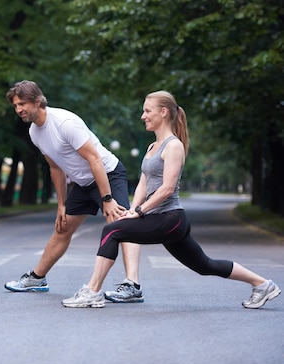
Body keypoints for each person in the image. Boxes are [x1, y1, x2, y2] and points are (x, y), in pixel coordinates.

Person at [62, 90, 281, 309]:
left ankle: (92, 291)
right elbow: (144, 184)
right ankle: (262, 284)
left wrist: (139, 212)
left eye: (147, 111)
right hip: (163, 219)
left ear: (163, 112)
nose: (143, 116)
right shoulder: (152, 147)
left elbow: (167, 189)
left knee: (111, 231)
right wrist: (132, 209)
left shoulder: (173, 146)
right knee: (204, 265)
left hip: (171, 218)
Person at [4, 80, 143, 303]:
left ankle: (132, 285)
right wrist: (61, 204)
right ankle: (37, 279)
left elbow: (94, 159)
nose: (18, 109)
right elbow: (56, 167)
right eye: (15, 105)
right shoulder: (34, 132)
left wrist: (106, 198)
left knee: (121, 223)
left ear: (38, 101)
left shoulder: (65, 123)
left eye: (22, 104)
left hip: (107, 173)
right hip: (83, 182)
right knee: (63, 228)